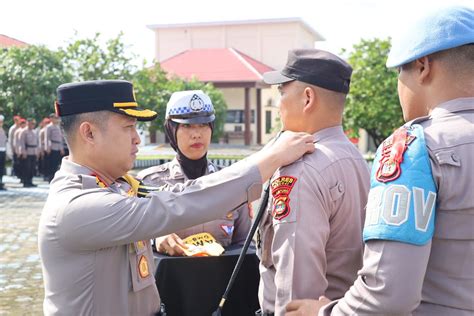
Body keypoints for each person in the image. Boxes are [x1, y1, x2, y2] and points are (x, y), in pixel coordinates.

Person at [38, 79, 315, 315]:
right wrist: (272, 157)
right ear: (89, 133)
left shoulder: (116, 187)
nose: (137, 139)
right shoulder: (78, 205)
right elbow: (180, 203)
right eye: (127, 127)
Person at [285, 5, 474, 316]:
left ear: (423, 66)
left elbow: (388, 295)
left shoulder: (415, 148)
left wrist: (324, 312)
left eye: (400, 72)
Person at [255, 49, 370, 316]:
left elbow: (296, 293)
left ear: (307, 98)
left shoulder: (301, 169)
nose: (279, 103)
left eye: (282, 91)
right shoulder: (356, 158)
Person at [138, 90, 252, 256]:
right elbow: (130, 245)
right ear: (171, 129)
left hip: (223, 279)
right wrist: (155, 241)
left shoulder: (231, 182)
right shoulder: (148, 184)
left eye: (203, 125)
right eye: (187, 126)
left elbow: (246, 244)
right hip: (170, 281)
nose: (197, 134)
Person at [18, 118, 39, 187]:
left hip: (33, 151)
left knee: (32, 168)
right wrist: (23, 152)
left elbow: (36, 143)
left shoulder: (34, 132)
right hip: (27, 152)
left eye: (34, 124)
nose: (32, 125)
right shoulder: (24, 131)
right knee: (26, 167)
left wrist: (37, 151)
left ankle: (30, 181)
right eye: (31, 123)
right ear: (28, 123)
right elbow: (21, 142)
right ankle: (25, 182)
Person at [44, 113, 64, 182]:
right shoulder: (49, 127)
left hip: (58, 147)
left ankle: (55, 178)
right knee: (51, 164)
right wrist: (47, 147)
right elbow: (47, 138)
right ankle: (50, 178)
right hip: (52, 147)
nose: (56, 119)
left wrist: (61, 148)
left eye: (57, 118)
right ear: (51, 119)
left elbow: (60, 139)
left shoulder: (58, 127)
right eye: (55, 118)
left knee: (57, 163)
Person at [0, 115, 6, 190]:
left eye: (1, 122)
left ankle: (1, 182)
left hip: (2, 150)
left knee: (1, 168)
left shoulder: (2, 130)